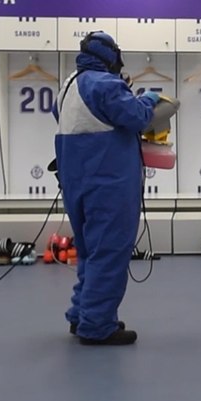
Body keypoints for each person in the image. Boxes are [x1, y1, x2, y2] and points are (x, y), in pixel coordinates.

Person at [53, 31, 158, 346]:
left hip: (76, 181)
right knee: (109, 252)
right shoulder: (105, 85)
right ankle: (97, 326)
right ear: (111, 56)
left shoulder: (68, 86)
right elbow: (136, 116)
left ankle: (82, 314)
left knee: (89, 252)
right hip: (107, 183)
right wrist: (150, 99)